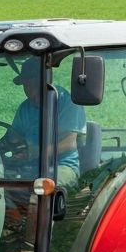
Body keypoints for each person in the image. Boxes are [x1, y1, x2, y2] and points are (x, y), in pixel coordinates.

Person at [8, 57, 86, 185]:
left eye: (33, 85)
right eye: (26, 86)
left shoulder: (66, 102)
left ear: (45, 81)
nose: (29, 91)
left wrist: (34, 152)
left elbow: (69, 143)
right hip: (30, 168)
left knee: (41, 191)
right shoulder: (25, 108)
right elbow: (14, 137)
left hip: (61, 166)